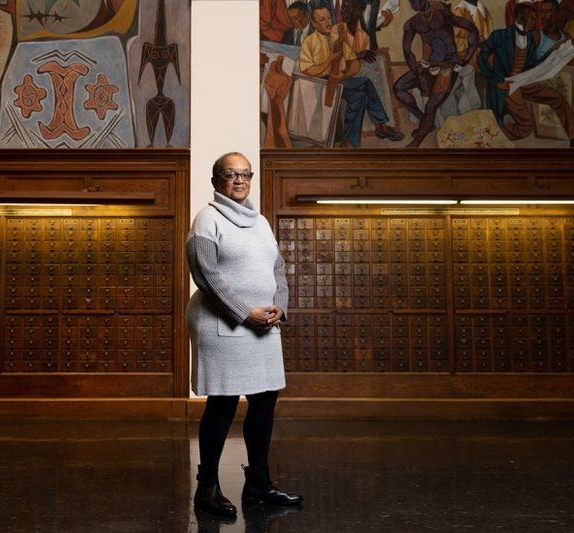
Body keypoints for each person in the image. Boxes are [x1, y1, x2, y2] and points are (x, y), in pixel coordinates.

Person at [187, 152, 303, 517]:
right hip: (223, 323)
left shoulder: (261, 221)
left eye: (245, 174)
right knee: (222, 403)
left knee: (265, 399)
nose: (239, 180)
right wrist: (244, 312)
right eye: (230, 174)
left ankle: (258, 484)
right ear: (216, 180)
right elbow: (206, 275)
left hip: (264, 322)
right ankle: (207, 488)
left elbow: (277, 268)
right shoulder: (207, 219)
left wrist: (279, 307)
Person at [478, 3, 574, 147]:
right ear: (521, 18)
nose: (535, 23)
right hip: (507, 84)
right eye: (532, 19)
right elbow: (481, 58)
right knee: (526, 128)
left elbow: (533, 64)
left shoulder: (530, 39)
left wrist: (554, 53)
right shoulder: (500, 35)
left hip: (524, 81)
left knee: (558, 98)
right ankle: (489, 133)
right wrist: (496, 80)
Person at [299, 6, 404, 147]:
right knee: (365, 82)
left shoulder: (338, 38)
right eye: (322, 19)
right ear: (314, 23)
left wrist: (343, 76)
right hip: (322, 83)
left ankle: (349, 143)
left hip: (341, 81)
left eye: (329, 18)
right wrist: (330, 59)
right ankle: (381, 125)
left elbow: (354, 63)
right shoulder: (309, 42)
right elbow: (307, 70)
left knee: (360, 96)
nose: (328, 22)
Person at [393, 0, 479, 148]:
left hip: (449, 65)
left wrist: (465, 59)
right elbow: (407, 51)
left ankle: (415, 144)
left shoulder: (443, 15)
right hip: (431, 63)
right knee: (398, 88)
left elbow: (473, 29)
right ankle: (425, 121)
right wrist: (416, 71)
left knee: (431, 106)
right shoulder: (412, 23)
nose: (413, 3)